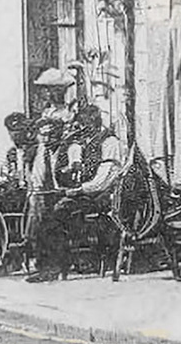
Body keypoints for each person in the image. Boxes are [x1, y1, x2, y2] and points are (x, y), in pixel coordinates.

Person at [25, 104, 122, 282]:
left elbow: (104, 180)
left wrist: (79, 189)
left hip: (102, 196)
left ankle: (54, 267)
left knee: (55, 214)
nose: (82, 129)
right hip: (83, 193)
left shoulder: (110, 142)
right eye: (81, 125)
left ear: (96, 122)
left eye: (86, 125)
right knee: (43, 208)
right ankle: (46, 264)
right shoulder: (81, 142)